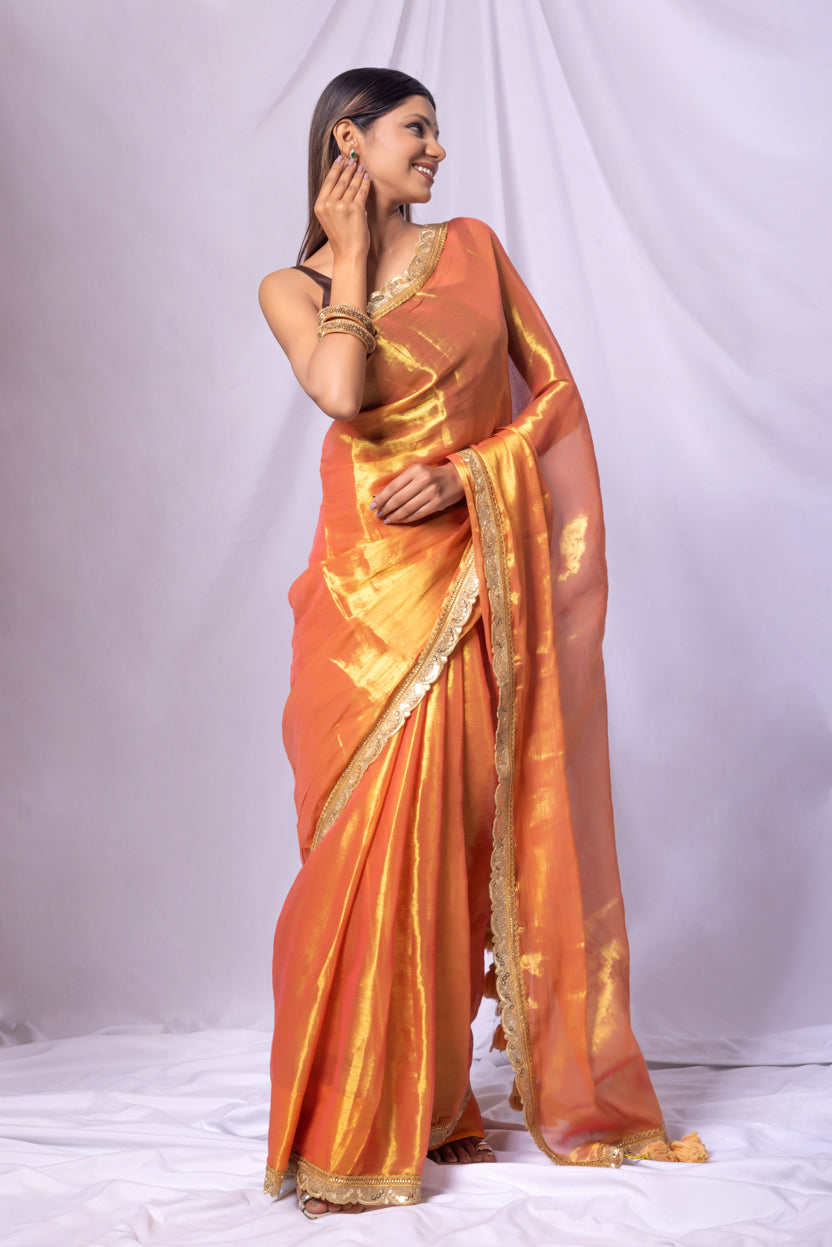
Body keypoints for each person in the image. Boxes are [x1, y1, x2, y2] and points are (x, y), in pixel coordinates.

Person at [257, 66, 706, 1221]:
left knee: (449, 843)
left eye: (440, 130)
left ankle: (424, 1096)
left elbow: (546, 406)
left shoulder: (473, 248)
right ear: (350, 141)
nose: (440, 150)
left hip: (462, 584)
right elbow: (345, 390)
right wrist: (347, 248)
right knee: (357, 859)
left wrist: (466, 476)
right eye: (417, 130)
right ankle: (348, 1122)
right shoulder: (288, 286)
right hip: (361, 611)